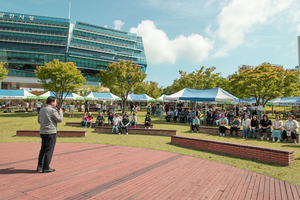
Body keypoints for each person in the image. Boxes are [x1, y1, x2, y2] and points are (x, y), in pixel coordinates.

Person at [37, 96, 63, 173]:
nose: (56, 103)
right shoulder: (52, 110)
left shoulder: (42, 110)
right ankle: (46, 167)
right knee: (49, 150)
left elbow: (39, 121)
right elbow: (59, 120)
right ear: (52, 102)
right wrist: (60, 113)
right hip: (51, 132)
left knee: (43, 149)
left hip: (43, 132)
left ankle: (39, 166)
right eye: (55, 102)